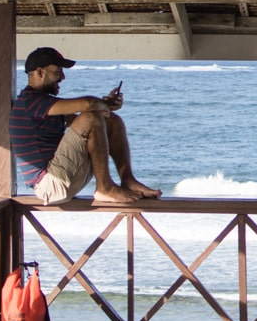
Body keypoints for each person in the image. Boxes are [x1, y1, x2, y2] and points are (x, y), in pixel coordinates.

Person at [10, 46, 160, 206]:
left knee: (111, 120)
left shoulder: (43, 105)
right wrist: (101, 105)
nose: (62, 77)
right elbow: (88, 106)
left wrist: (107, 107)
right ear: (40, 72)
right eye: (58, 71)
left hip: (63, 178)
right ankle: (104, 187)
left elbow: (91, 123)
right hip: (50, 185)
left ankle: (128, 180)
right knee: (91, 117)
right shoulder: (30, 102)